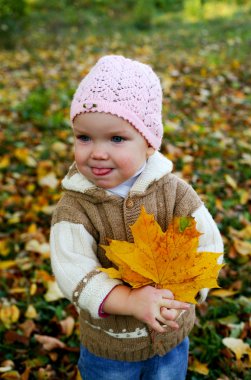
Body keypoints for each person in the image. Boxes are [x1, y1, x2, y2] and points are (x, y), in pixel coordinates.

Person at [50, 55, 223, 380]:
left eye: (116, 139)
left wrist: (185, 293)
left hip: (171, 337)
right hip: (111, 348)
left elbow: (207, 244)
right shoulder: (75, 208)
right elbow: (72, 270)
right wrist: (128, 301)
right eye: (84, 137)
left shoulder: (175, 194)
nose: (97, 151)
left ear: (148, 144)